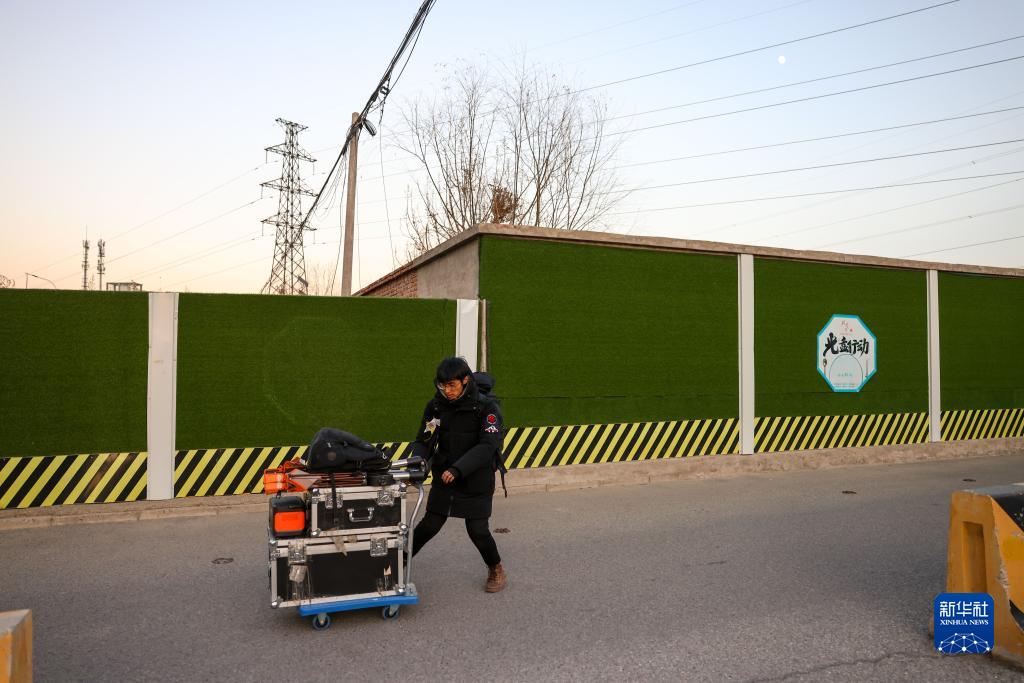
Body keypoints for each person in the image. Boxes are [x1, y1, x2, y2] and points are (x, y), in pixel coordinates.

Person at [408, 356, 507, 593]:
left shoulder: (486, 408)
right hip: (445, 477)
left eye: (452, 385)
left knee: (477, 530)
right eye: (442, 386)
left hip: (476, 478)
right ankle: (394, 564)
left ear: (465, 381)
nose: (447, 391)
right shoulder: (436, 406)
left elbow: (487, 446)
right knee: (429, 525)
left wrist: (458, 469)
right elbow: (425, 440)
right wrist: (416, 465)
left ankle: (496, 568)